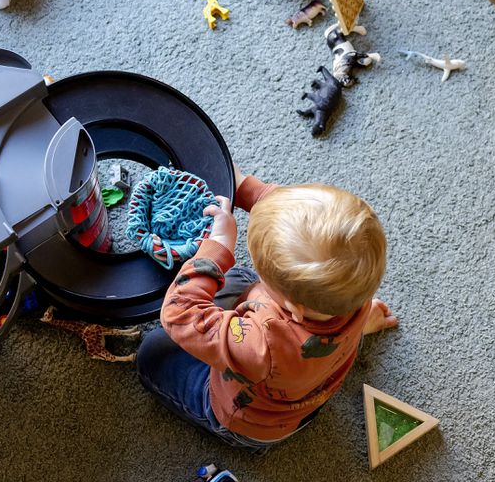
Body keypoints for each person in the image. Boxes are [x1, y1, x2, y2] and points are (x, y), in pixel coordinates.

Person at [136, 168, 397, 449]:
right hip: (313, 375)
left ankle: (241, 435)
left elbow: (179, 312)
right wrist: (237, 182)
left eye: (266, 275)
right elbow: (290, 213)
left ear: (292, 309)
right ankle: (357, 332)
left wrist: (218, 248)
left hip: (251, 418)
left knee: (153, 354)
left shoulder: (261, 344)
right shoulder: (353, 290)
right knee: (247, 282)